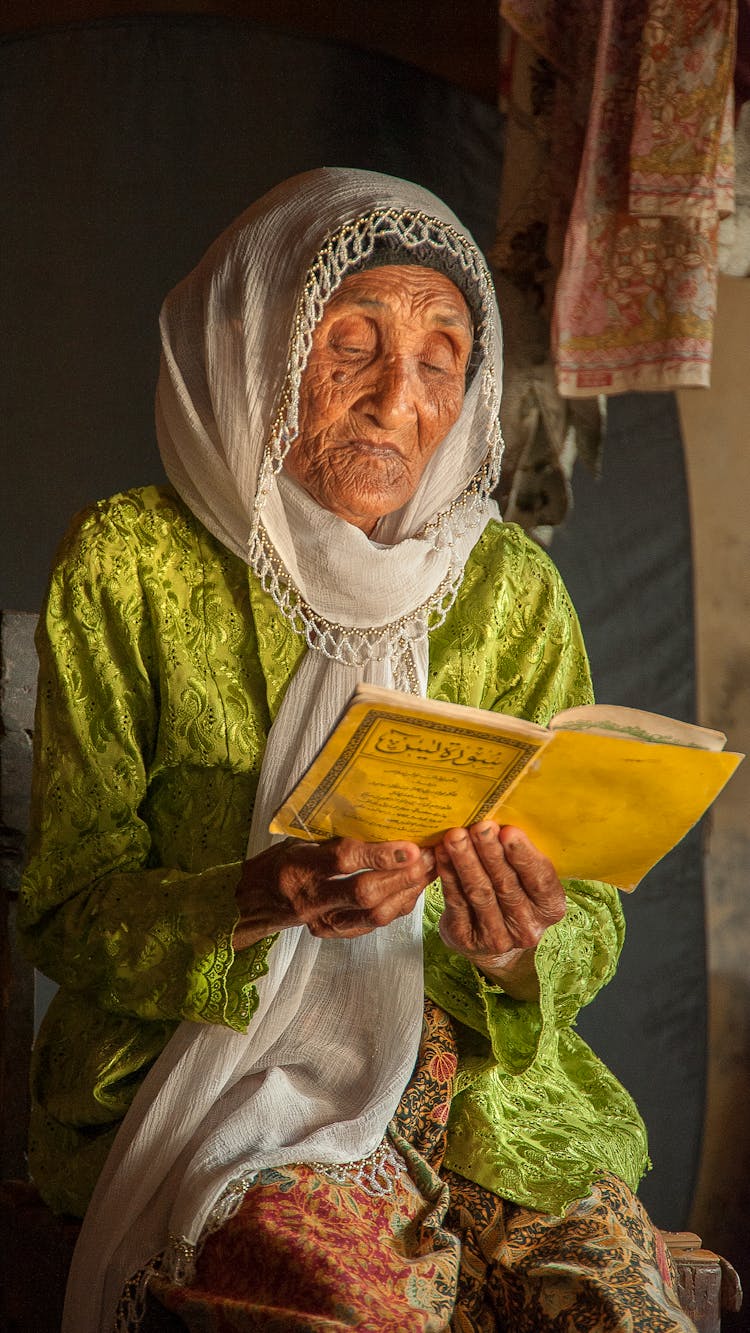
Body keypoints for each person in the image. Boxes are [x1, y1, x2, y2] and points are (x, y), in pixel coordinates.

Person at [19, 168, 696, 1333]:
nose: (398, 398)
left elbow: (591, 912)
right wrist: (255, 894)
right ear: (262, 350)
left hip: (488, 1096)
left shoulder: (506, 586)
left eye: (441, 357)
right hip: (227, 1077)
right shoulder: (132, 562)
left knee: (618, 1308)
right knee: (346, 1308)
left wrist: (519, 940)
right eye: (351, 344)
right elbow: (68, 908)